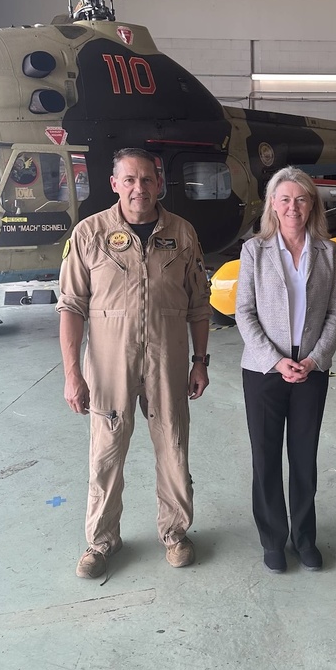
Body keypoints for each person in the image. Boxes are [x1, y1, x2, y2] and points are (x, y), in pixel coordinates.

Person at [57, 148, 211, 579]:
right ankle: (101, 541)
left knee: (174, 445)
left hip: (168, 359)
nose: (139, 188)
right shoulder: (90, 234)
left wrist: (200, 362)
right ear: (114, 184)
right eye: (129, 180)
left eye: (147, 180)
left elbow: (200, 303)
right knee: (106, 452)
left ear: (159, 184)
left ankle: (176, 532)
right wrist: (73, 373)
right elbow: (70, 306)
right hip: (109, 364)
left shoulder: (182, 234)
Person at [235, 166, 336, 574]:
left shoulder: (327, 252)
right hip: (264, 371)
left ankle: (304, 537)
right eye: (284, 199)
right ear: (272, 205)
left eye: (301, 198)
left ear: (312, 203)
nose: (292, 206)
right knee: (265, 457)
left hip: (311, 370)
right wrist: (275, 360)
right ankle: (272, 540)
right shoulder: (254, 251)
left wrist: (315, 359)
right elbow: (243, 313)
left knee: (304, 458)